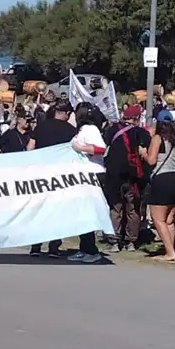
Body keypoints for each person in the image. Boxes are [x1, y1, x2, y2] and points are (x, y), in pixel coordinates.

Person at [27, 100, 76, 257]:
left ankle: (35, 246)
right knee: (57, 211)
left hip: (40, 174)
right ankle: (54, 246)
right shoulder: (71, 131)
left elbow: (30, 147)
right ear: (67, 113)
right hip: (60, 176)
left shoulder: (41, 126)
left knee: (39, 209)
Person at [103, 104, 151, 253]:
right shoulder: (141, 132)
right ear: (137, 117)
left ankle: (114, 241)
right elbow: (146, 148)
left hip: (114, 174)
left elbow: (105, 143)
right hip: (133, 175)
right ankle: (131, 241)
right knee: (133, 209)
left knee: (116, 207)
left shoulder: (112, 129)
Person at [140, 110, 175, 262]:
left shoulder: (158, 138)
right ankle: (170, 249)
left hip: (162, 178)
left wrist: (143, 152)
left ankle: (170, 252)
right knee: (169, 220)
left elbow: (152, 160)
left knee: (157, 218)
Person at [69, 103, 107, 263]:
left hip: (93, 174)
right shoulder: (83, 130)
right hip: (84, 175)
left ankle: (91, 250)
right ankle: (85, 247)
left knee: (87, 212)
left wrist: (81, 148)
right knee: (82, 212)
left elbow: (101, 149)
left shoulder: (91, 129)